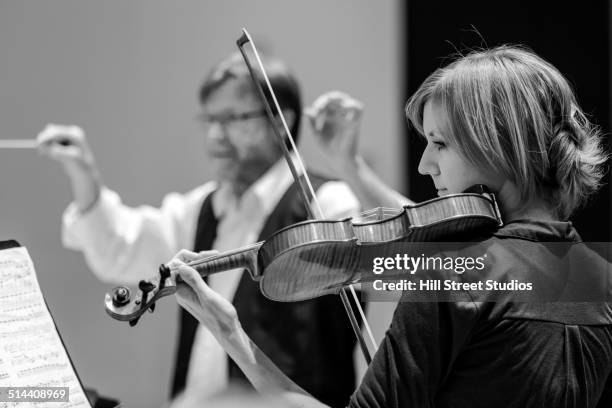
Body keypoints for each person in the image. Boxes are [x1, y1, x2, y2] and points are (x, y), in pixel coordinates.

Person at [168, 45, 612, 407]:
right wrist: (353, 167)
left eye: (440, 143)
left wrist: (229, 330)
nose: (424, 164)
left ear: (497, 145)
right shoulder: (598, 278)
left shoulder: (453, 278)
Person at [38, 52, 364, 408]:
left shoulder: (327, 204)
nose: (215, 135)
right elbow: (120, 248)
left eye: (232, 119)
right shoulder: (202, 207)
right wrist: (84, 174)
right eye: (209, 120)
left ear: (279, 121)